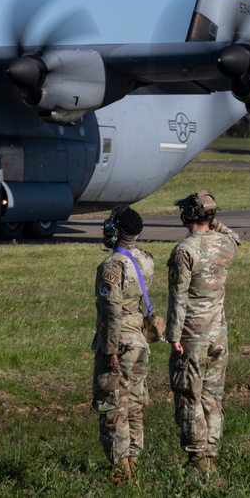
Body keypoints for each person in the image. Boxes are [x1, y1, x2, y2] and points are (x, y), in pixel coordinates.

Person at [166, 190, 241, 477]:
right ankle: (211, 453)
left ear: (187, 216)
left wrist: (173, 337)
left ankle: (198, 461)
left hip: (192, 337)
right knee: (213, 397)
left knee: (189, 397)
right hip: (218, 334)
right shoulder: (225, 243)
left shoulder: (184, 250)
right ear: (211, 216)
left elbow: (178, 299)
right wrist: (212, 216)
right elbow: (235, 236)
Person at [91, 205, 154, 484]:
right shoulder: (145, 259)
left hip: (121, 342)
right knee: (134, 404)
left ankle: (121, 471)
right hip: (139, 340)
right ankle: (133, 463)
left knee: (113, 406)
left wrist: (110, 349)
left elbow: (112, 310)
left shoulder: (111, 266)